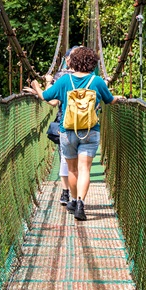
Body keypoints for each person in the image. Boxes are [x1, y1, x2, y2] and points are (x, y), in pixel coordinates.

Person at [28, 46, 124, 221]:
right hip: (90, 131)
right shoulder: (97, 81)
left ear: (72, 62)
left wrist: (36, 86)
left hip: (68, 131)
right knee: (84, 169)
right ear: (92, 63)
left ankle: (73, 200)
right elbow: (110, 100)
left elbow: (46, 97)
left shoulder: (65, 80)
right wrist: (119, 98)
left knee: (72, 169)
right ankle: (80, 203)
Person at [44, 46, 80, 206]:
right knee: (81, 164)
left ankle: (66, 193)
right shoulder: (92, 77)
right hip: (86, 126)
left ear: (67, 60)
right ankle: (78, 199)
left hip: (64, 123)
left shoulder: (61, 76)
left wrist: (47, 82)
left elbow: (52, 101)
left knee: (66, 160)